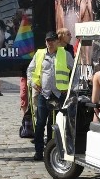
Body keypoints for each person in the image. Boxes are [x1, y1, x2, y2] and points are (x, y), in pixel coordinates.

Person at [27, 31, 74, 161]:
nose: (50, 43)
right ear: (45, 42)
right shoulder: (40, 54)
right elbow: (30, 70)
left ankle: (52, 150)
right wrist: (33, 83)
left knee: (56, 123)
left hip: (59, 94)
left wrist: (70, 89)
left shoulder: (65, 54)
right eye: (48, 41)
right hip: (45, 93)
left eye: (53, 40)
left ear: (57, 42)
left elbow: (75, 71)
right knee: (41, 123)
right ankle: (38, 151)